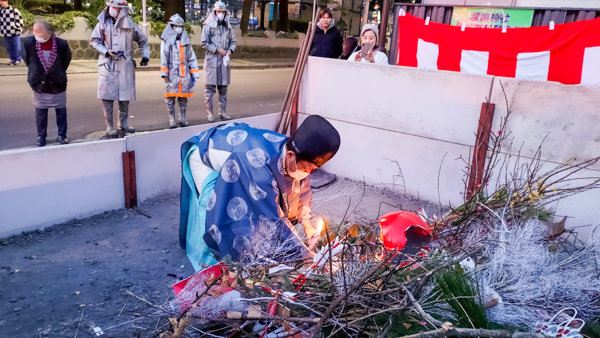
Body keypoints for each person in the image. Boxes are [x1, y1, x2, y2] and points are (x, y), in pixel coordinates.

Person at [179, 115, 341, 271]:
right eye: (308, 168)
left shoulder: (293, 151)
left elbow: (300, 187)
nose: (308, 173)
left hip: (237, 151)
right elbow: (270, 216)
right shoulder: (257, 164)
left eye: (313, 170)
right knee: (215, 209)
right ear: (291, 155)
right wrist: (304, 252)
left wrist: (308, 225)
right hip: (206, 157)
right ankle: (208, 263)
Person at [90, 0, 149, 137]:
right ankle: (110, 126)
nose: (111, 9)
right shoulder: (103, 23)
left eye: (114, 7)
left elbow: (143, 41)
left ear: (121, 9)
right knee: (107, 97)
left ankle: (123, 123)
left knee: (124, 97)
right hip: (107, 63)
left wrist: (145, 56)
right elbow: (95, 41)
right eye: (110, 7)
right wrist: (105, 51)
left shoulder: (131, 25)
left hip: (125, 63)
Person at [22, 20, 72, 147]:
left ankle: (62, 135)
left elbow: (66, 60)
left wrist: (57, 72)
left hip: (57, 81)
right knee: (40, 111)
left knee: (61, 110)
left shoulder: (61, 44)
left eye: (38, 31)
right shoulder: (28, 43)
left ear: (48, 32)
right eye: (34, 31)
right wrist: (37, 73)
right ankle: (41, 136)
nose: (35, 34)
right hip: (38, 82)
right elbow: (27, 60)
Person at [160, 14, 200, 128]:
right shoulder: (167, 41)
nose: (178, 28)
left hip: (184, 72)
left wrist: (194, 73)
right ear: (171, 26)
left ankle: (182, 118)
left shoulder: (186, 42)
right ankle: (172, 118)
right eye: (176, 26)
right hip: (172, 72)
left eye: (180, 26)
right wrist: (164, 73)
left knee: (183, 98)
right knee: (170, 97)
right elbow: (164, 57)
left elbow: (191, 58)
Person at [201, 0, 236, 123]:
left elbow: (233, 41)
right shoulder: (208, 25)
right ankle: (210, 113)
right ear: (214, 12)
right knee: (209, 89)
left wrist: (230, 50)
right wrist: (216, 49)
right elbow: (204, 43)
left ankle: (222, 112)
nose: (220, 13)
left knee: (223, 89)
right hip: (212, 60)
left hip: (224, 61)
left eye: (222, 12)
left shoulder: (228, 26)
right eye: (218, 11)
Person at [0, 0, 23, 65]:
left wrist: (17, 27)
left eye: (3, 1)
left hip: (15, 31)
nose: (2, 3)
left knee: (17, 46)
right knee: (9, 47)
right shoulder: (1, 11)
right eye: (1, 1)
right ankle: (12, 59)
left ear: (7, 1)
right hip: (5, 31)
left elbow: (20, 19)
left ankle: (18, 59)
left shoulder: (13, 10)